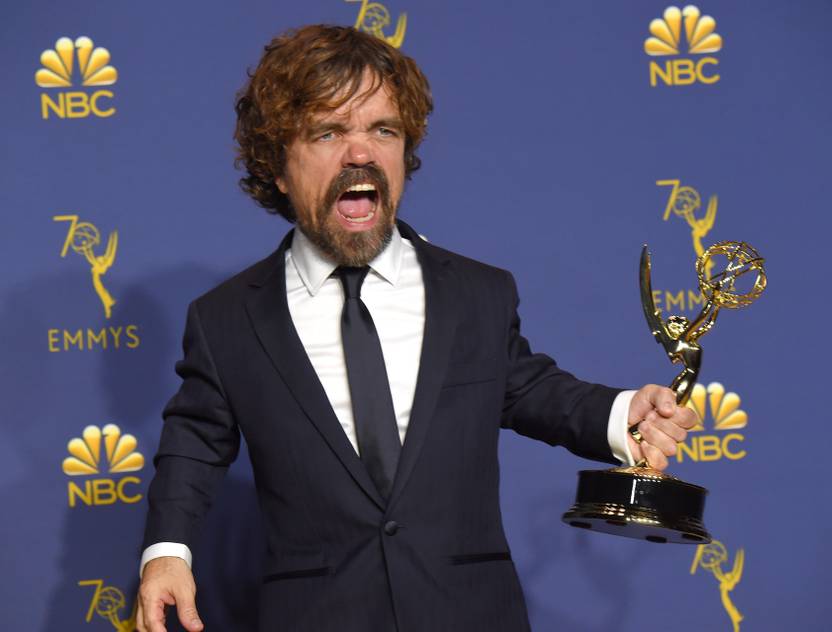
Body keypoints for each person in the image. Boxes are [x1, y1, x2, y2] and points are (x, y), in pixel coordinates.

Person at [135, 24, 696, 632]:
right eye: (328, 131)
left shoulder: (478, 293)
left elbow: (529, 388)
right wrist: (167, 554)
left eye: (383, 129)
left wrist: (623, 416)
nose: (360, 153)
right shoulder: (227, 319)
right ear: (277, 168)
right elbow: (193, 443)